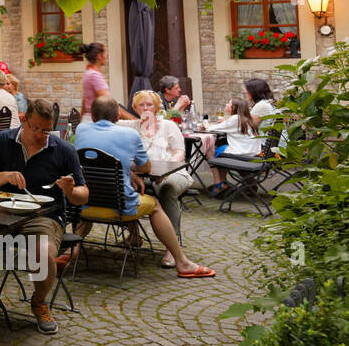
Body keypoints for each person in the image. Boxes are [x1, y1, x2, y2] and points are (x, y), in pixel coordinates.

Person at [0, 100, 90, 333]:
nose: (40, 134)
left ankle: (39, 302)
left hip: (45, 215)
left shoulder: (63, 149)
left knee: (44, 251)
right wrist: (6, 176)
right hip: (4, 210)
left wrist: (70, 190)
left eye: (46, 130)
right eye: (35, 128)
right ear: (24, 120)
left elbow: (84, 195)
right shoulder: (4, 140)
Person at [75, 96, 214, 279]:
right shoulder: (129, 134)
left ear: (92, 116)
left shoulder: (81, 129)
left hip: (87, 203)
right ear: (118, 116)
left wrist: (127, 172)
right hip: (120, 206)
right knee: (154, 204)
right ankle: (182, 261)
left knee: (132, 187)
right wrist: (130, 170)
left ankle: (72, 250)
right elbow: (146, 168)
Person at [122, 90, 192, 268]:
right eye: (141, 105)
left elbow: (179, 153)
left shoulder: (168, 126)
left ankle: (172, 247)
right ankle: (134, 235)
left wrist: (167, 169)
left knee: (167, 188)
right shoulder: (130, 127)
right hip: (143, 176)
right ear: (135, 107)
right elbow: (106, 123)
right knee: (124, 184)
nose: (145, 108)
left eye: (149, 104)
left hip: (173, 173)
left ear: (156, 107)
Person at [205, 97, 263, 191]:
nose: (226, 105)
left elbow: (211, 129)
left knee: (212, 150)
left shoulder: (236, 119)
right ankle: (223, 182)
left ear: (234, 108)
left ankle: (220, 184)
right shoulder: (245, 118)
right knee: (220, 145)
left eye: (229, 103)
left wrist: (204, 125)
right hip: (253, 151)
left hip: (243, 153)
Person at [80, 42, 135, 121]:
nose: (106, 56)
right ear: (99, 56)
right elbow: (108, 104)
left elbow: (85, 101)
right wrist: (134, 119)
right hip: (96, 121)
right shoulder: (94, 76)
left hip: (89, 119)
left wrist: (81, 120)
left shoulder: (89, 72)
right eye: (105, 53)